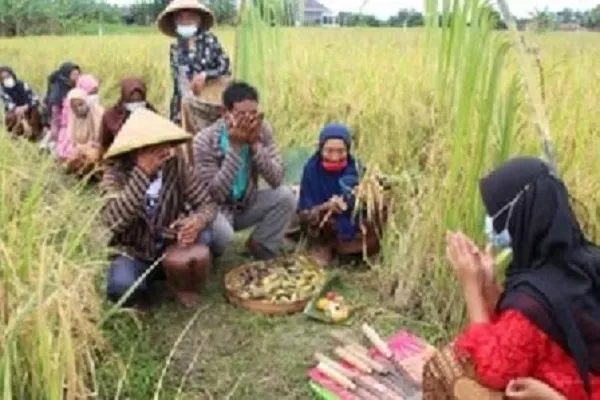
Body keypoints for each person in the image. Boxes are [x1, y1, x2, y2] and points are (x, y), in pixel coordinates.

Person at [422, 157, 600, 399]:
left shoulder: (533, 301)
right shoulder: (587, 260)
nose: (489, 223)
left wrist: (472, 288)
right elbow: (528, 334)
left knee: (446, 367)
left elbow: (495, 370)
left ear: (519, 217)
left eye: (493, 214)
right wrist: (490, 286)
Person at [101, 108, 216, 308]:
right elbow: (114, 222)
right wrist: (142, 173)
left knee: (205, 235)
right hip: (133, 251)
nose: (164, 151)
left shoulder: (176, 166)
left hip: (169, 244)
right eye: (155, 147)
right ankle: (144, 288)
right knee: (121, 286)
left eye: (165, 144)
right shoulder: (115, 176)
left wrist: (195, 222)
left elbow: (207, 204)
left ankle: (177, 281)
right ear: (137, 149)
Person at [193, 81, 295, 260]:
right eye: (241, 115)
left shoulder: (262, 130)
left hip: (245, 203)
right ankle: (211, 256)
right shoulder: (204, 140)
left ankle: (261, 244)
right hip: (216, 210)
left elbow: (277, 178)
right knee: (225, 236)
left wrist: (255, 145)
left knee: (286, 196)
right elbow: (214, 194)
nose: (249, 120)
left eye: (253, 113)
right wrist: (236, 148)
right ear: (225, 113)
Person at [297, 123, 382, 266]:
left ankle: (350, 249)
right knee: (318, 222)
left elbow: (370, 202)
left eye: (341, 151)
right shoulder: (311, 170)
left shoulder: (357, 168)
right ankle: (327, 246)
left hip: (351, 221)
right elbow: (304, 210)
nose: (335, 157)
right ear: (320, 149)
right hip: (325, 226)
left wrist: (360, 198)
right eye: (329, 151)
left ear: (348, 150)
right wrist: (325, 207)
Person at [156, 0, 231, 126]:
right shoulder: (175, 48)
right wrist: (175, 113)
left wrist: (205, 75)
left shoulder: (209, 40)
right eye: (180, 17)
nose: (185, 21)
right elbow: (177, 83)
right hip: (185, 103)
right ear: (175, 21)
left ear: (198, 19)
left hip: (208, 103)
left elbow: (225, 65)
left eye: (190, 17)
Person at [99, 77, 157, 157]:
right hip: (120, 160)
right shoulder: (111, 116)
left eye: (139, 102)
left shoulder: (152, 114)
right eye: (132, 102)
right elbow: (104, 143)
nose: (136, 105)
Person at [56, 88, 104, 177]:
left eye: (81, 104)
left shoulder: (97, 112)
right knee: (72, 158)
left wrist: (87, 148)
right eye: (74, 107)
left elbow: (102, 139)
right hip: (82, 149)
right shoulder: (74, 117)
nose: (78, 109)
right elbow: (74, 141)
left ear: (86, 101)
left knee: (92, 156)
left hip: (98, 148)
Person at [43, 62, 81, 151]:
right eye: (74, 74)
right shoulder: (58, 88)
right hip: (58, 115)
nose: (77, 76)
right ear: (67, 74)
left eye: (78, 74)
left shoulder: (74, 84)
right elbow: (54, 110)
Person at [0, 66, 42, 140]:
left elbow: (34, 98)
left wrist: (26, 106)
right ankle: (17, 135)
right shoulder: (2, 90)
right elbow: (11, 105)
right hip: (15, 112)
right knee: (11, 116)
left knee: (35, 111)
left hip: (27, 107)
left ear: (12, 75)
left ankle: (35, 134)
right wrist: (24, 122)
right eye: (3, 78)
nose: (6, 79)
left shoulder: (22, 84)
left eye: (8, 76)